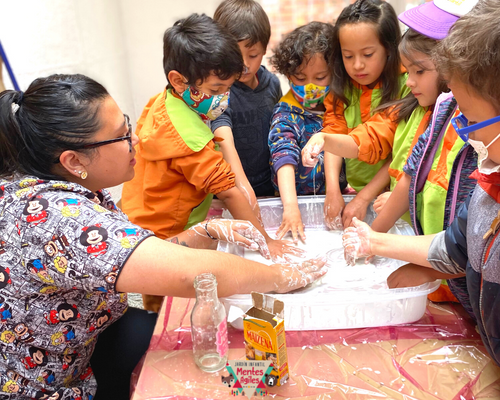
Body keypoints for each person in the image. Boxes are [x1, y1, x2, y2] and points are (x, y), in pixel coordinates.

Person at [0, 74, 327, 399]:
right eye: (121, 136)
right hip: (47, 385)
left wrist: (206, 230)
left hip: (91, 336)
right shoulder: (54, 216)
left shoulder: (62, 188)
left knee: (200, 349)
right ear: (73, 161)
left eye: (127, 126)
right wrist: (280, 275)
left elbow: (135, 258)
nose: (135, 141)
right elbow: (190, 274)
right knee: (206, 378)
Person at [342, 0, 500, 366]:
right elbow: (459, 246)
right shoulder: (487, 183)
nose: (466, 135)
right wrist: (374, 240)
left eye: (471, 121)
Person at [120, 14, 300, 312]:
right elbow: (229, 191)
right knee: (166, 309)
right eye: (216, 90)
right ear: (178, 80)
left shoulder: (164, 102)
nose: (223, 99)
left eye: (228, 89)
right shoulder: (187, 136)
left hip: (142, 220)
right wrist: (267, 241)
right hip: (165, 237)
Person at [303, 0, 478, 306]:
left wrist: (377, 238)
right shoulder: (432, 110)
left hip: (450, 266)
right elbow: (404, 173)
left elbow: (475, 242)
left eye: (419, 71)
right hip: (436, 262)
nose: (409, 82)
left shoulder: (473, 126)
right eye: (348, 56)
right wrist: (370, 237)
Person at [319, 0, 409, 230]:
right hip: (354, 189)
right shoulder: (343, 85)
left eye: (368, 54)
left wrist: (365, 198)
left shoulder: (407, 85)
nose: (357, 65)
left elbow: (393, 149)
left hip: (392, 197)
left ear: (389, 48)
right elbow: (333, 131)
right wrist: (333, 190)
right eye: (348, 56)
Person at [268, 22, 347, 243]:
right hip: (295, 201)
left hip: (335, 196)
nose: (310, 87)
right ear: (288, 74)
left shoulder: (341, 106)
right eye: (300, 79)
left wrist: (337, 190)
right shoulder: (285, 112)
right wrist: (291, 207)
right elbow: (283, 154)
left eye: (320, 78)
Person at [212, 0, 282, 200]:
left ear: (264, 49)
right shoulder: (220, 90)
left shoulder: (272, 83)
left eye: (252, 55)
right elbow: (224, 140)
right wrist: (241, 186)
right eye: (235, 54)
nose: (244, 64)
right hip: (230, 189)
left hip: (268, 187)